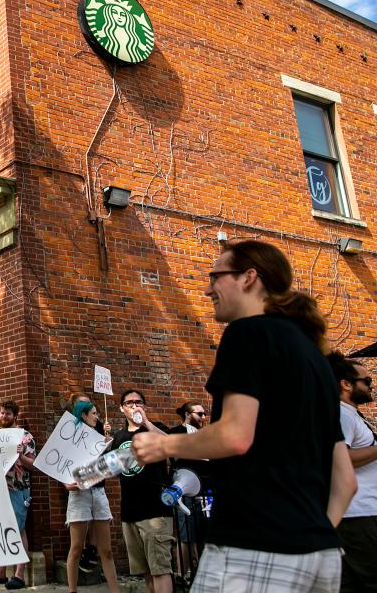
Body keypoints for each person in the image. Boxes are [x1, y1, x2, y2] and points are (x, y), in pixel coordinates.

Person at [132, 240, 356, 593]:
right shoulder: (317, 361)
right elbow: (346, 480)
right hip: (320, 553)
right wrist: (309, 535)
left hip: (254, 545)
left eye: (215, 276)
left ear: (249, 277)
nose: (208, 289)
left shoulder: (248, 332)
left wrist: (163, 444)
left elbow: (235, 435)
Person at [110, 389, 173, 593]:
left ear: (145, 406)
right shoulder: (119, 437)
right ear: (121, 408)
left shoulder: (155, 429)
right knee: (146, 570)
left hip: (155, 510)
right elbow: (115, 471)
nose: (134, 405)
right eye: (129, 403)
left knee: (160, 569)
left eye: (138, 402)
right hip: (130, 511)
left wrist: (146, 423)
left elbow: (171, 445)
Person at [327, 351, 377, 592]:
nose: (371, 386)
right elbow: (340, 458)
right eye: (366, 381)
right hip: (357, 515)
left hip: (360, 513)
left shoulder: (351, 414)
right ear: (345, 384)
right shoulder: (342, 414)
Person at [0, 400, 36, 590]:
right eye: (2, 413)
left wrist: (20, 456)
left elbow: (34, 465)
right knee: (2, 529)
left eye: (8, 414)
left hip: (18, 489)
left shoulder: (25, 437)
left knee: (19, 530)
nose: (4, 417)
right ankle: (0, 572)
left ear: (15, 416)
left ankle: (19, 575)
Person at [65, 401, 120, 593]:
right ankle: (72, 590)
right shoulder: (70, 438)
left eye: (97, 413)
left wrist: (107, 446)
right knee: (76, 547)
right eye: (94, 413)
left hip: (98, 491)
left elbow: (108, 467)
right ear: (83, 415)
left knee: (106, 549)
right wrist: (66, 483)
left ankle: (115, 590)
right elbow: (61, 465)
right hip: (79, 494)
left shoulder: (100, 437)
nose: (97, 416)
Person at [166, 402, 209, 582]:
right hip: (184, 492)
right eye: (199, 414)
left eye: (204, 414)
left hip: (205, 491)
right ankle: (182, 574)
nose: (203, 417)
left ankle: (199, 572)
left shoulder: (206, 435)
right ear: (187, 414)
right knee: (185, 534)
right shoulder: (174, 433)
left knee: (203, 535)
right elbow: (170, 456)